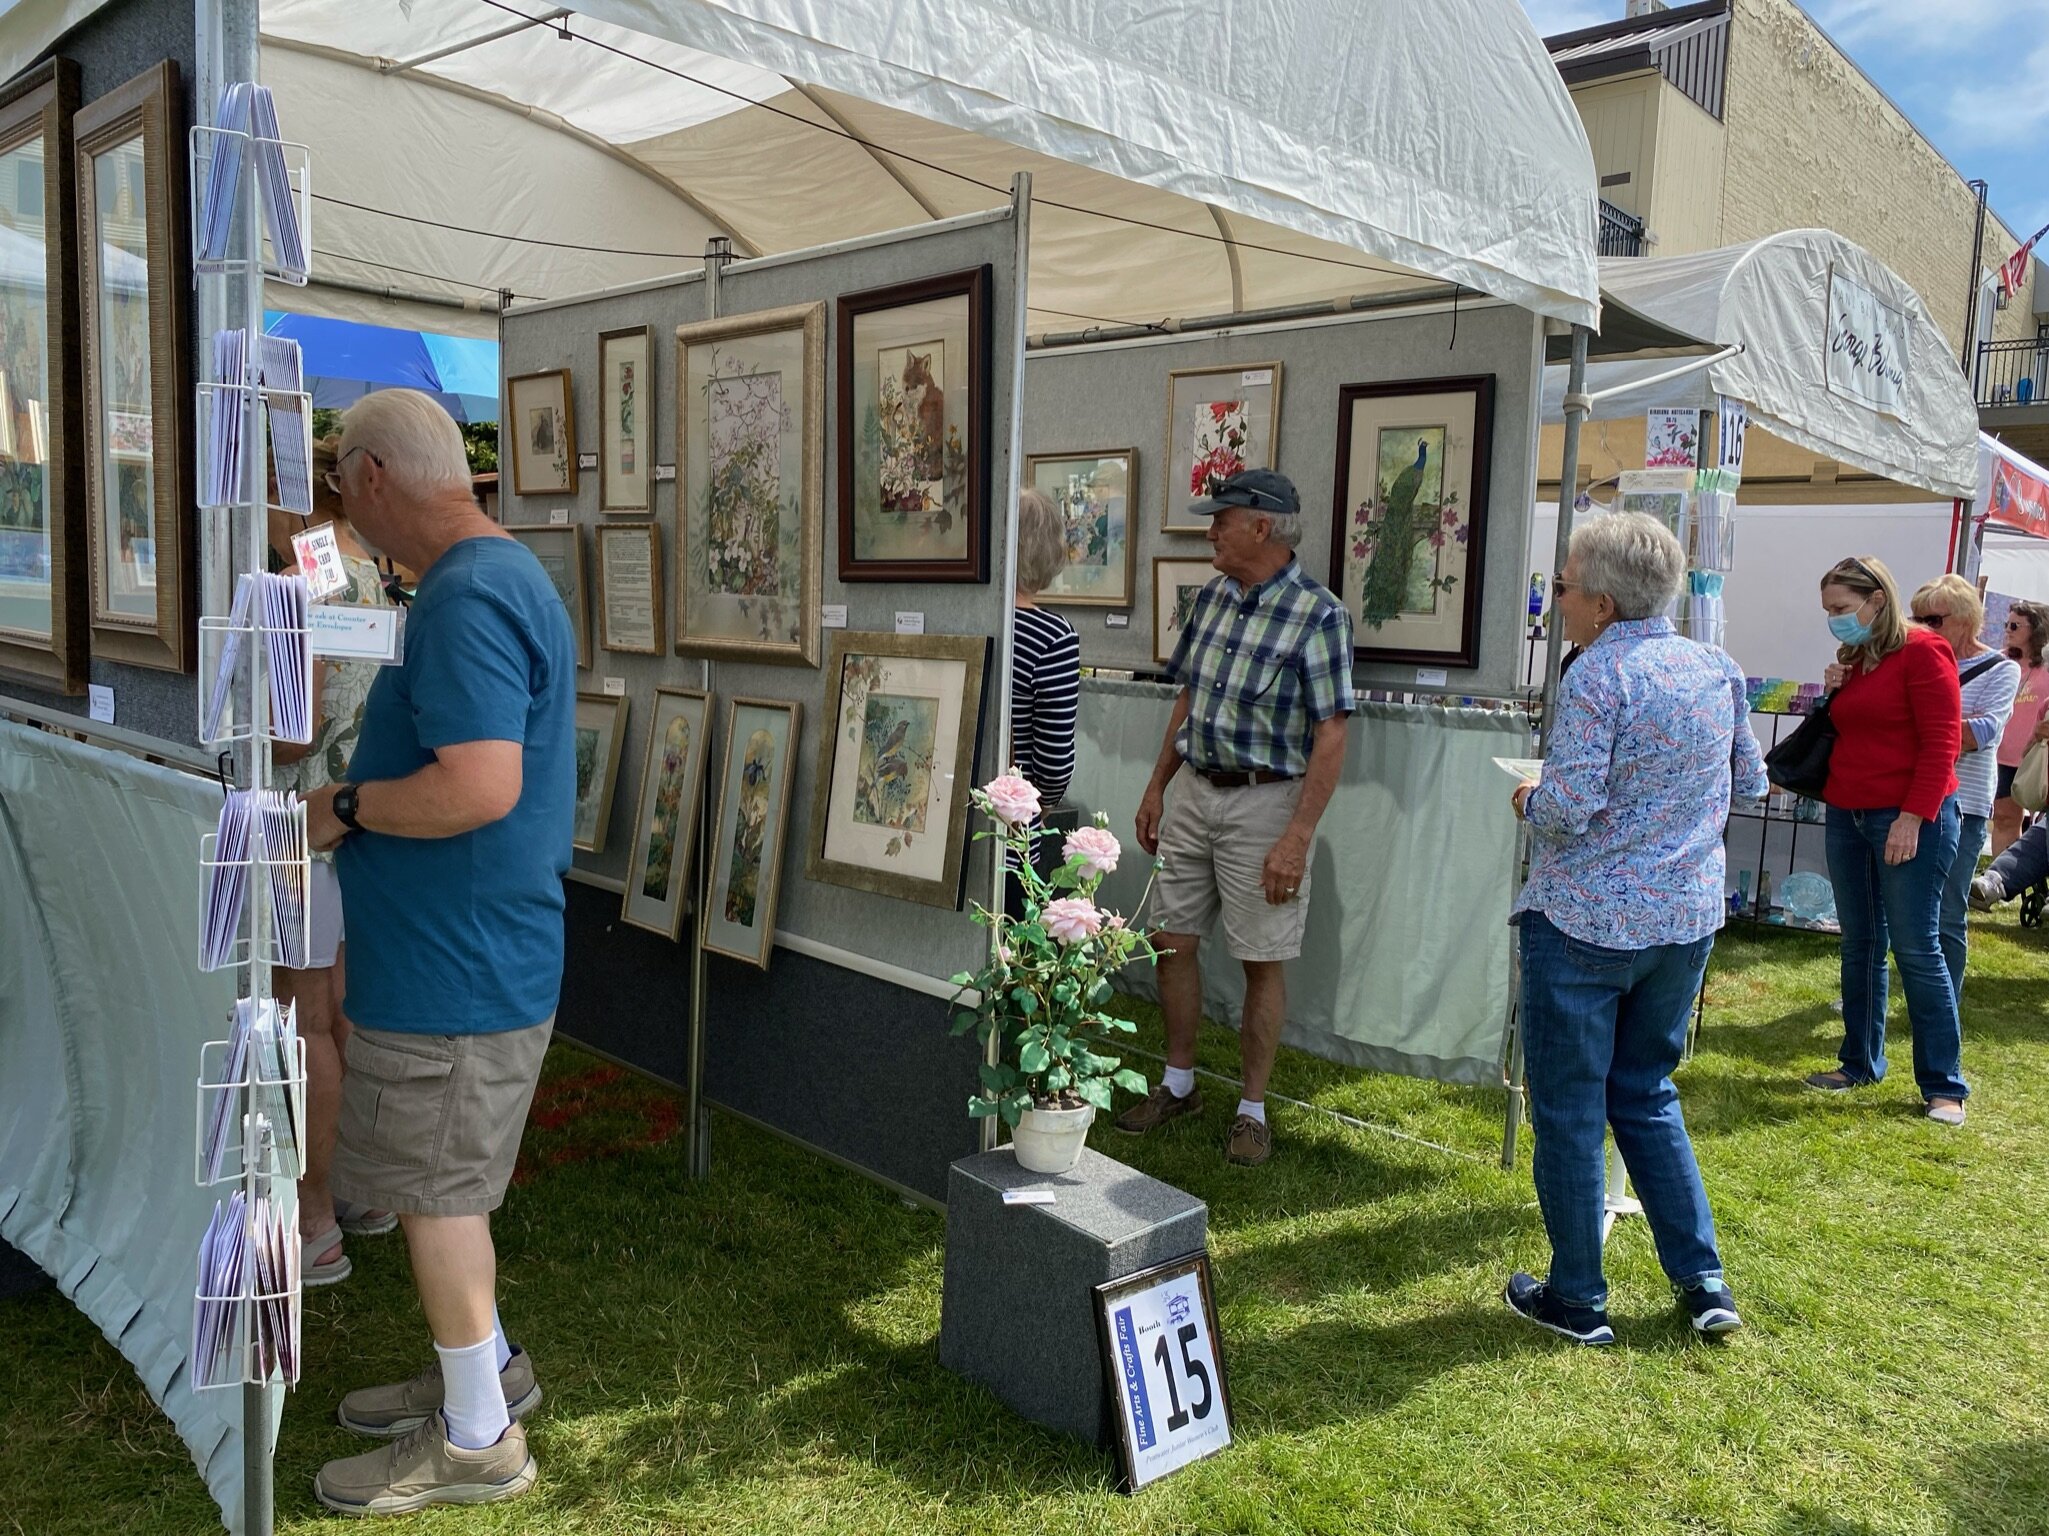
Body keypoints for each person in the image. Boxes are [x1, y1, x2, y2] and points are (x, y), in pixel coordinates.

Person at [300, 390, 575, 1515]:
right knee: (441, 1184)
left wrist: (345, 805)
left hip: (462, 965)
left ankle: (479, 1441)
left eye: (338, 484)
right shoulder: (490, 575)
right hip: (464, 952)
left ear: (370, 476)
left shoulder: (466, 592)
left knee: (436, 1193)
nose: (341, 511)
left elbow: (477, 785)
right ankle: (484, 1376)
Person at [1503, 513, 1763, 1346]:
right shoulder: (1714, 665)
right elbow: (1748, 780)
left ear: (1603, 603)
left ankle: (1577, 1297)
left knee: (1572, 1111)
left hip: (1583, 923)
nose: (1561, 601)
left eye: (1567, 587)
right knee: (1647, 1094)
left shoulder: (1596, 677)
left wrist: (1529, 799)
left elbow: (1569, 809)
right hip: (1680, 920)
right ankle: (1703, 1280)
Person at [1113, 468, 1353, 1168]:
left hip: (1266, 801)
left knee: (1260, 958)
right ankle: (1178, 1082)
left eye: (1221, 518)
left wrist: (1297, 836)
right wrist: (1158, 785)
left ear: (1261, 527)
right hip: (1194, 789)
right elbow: (1186, 699)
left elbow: (1332, 734)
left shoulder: (1319, 614)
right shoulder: (1213, 598)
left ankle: (1251, 1110)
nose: (1209, 529)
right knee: (1170, 942)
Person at [267, 439, 397, 1287]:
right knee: (338, 1012)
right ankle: (354, 1191)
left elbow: (294, 727)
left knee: (304, 1021)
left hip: (297, 816)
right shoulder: (365, 559)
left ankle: (313, 1219)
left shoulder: (299, 567)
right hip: (356, 813)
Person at [1803, 556, 1967, 1126]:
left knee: (1917, 949)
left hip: (1907, 815)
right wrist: (1833, 693)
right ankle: (1859, 1062)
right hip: (1848, 812)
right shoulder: (1859, 657)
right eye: (1828, 611)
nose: (1835, 621)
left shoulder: (1924, 651)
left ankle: (1945, 1086)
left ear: (1877, 600)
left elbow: (1942, 741)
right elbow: (1851, 729)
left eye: (1842, 610)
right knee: (1860, 945)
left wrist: (1912, 817)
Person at [1908, 575, 2016, 1012]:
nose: (1923, 627)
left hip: (1964, 805)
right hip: (1912, 797)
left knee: (1948, 912)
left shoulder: (2001, 668)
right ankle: (1885, 996)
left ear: (1967, 620)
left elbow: (1982, 734)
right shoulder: (1915, 660)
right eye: (1918, 618)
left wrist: (1924, 728)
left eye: (1934, 618)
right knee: (1901, 910)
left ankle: (1940, 1008)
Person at [1006, 489, 1081, 919]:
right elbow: (1053, 761)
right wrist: (1043, 804)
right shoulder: (1053, 637)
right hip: (1012, 829)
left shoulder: (959, 620)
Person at [1990, 601, 2049, 856]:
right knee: (2004, 817)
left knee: (2037, 822)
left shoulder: (2046, 667)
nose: (2008, 630)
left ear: (2035, 629)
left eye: (2015, 625)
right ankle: (1998, 877)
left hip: (2035, 756)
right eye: (2006, 624)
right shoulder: (2000, 661)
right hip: (2000, 754)